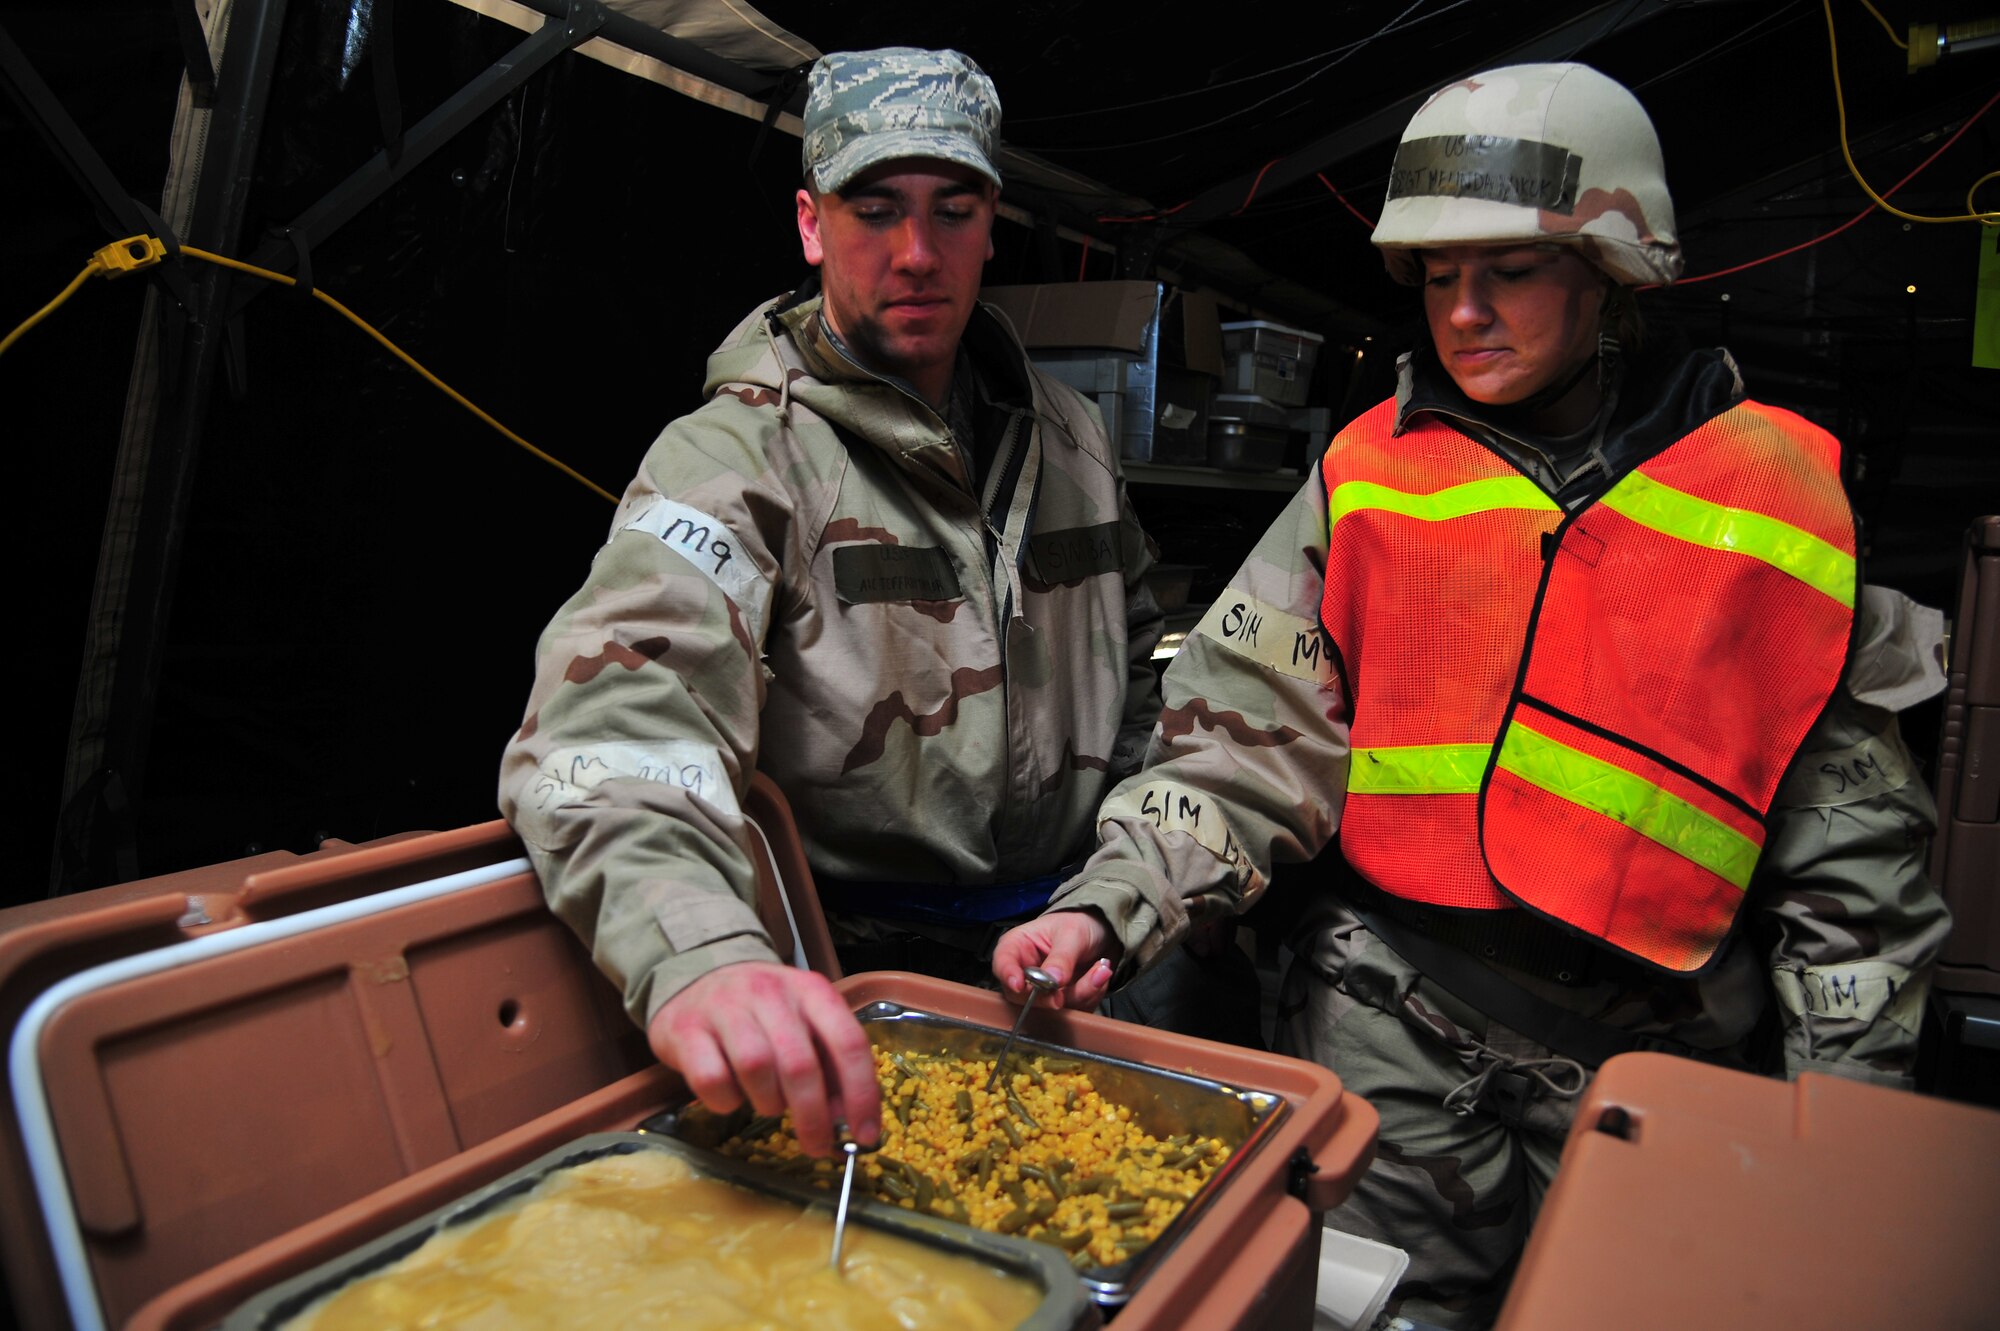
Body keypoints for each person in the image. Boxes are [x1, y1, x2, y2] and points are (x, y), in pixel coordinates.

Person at [993, 63, 1951, 1328]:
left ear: (1609, 275)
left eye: (1506, 269)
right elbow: (1240, 748)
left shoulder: (1770, 497)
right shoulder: (1368, 473)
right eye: (1437, 277)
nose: (1463, 311)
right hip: (1386, 1021)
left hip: (1651, 1060)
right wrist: (1111, 906)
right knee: (1369, 1311)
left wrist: (1843, 1134)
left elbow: (1855, 861)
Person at [495, 47, 1171, 1161]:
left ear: (992, 223)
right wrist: (705, 951)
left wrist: (1123, 891)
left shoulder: (1070, 437)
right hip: (856, 987)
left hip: (1076, 968)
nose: (916, 253)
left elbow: (1141, 662)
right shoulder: (737, 457)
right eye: (874, 210)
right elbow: (616, 719)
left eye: (952, 211)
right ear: (811, 225)